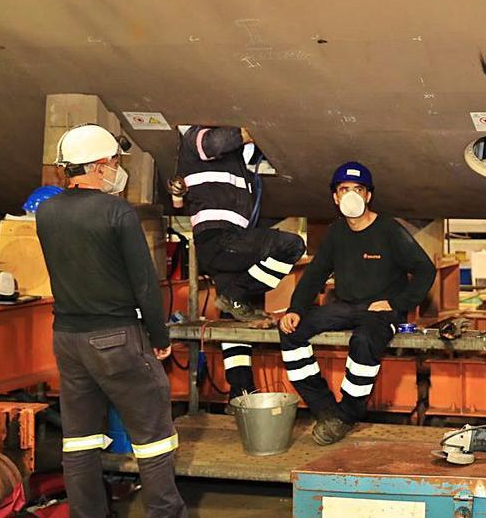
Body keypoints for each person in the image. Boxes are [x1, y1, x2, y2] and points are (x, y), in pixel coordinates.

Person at [38, 124, 186, 518]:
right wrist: (159, 334)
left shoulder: (47, 211)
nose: (118, 169)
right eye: (116, 162)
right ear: (100, 166)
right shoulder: (116, 211)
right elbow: (144, 282)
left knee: (80, 442)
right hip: (117, 337)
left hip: (67, 339)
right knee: (154, 438)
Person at [279, 162, 437, 445]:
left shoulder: (389, 230)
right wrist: (295, 309)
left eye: (358, 189)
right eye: (344, 189)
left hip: (382, 311)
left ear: (368, 196)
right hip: (347, 305)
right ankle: (326, 409)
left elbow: (425, 270)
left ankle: (348, 414)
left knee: (363, 341)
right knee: (290, 331)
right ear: (335, 197)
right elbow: (315, 274)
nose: (351, 195)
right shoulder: (336, 232)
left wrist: (396, 302)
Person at [169, 124, 306, 401]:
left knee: (236, 324)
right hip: (219, 239)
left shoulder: (238, 163)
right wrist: (252, 128)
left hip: (227, 243)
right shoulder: (194, 137)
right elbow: (213, 142)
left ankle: (241, 391)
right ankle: (236, 293)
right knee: (292, 246)